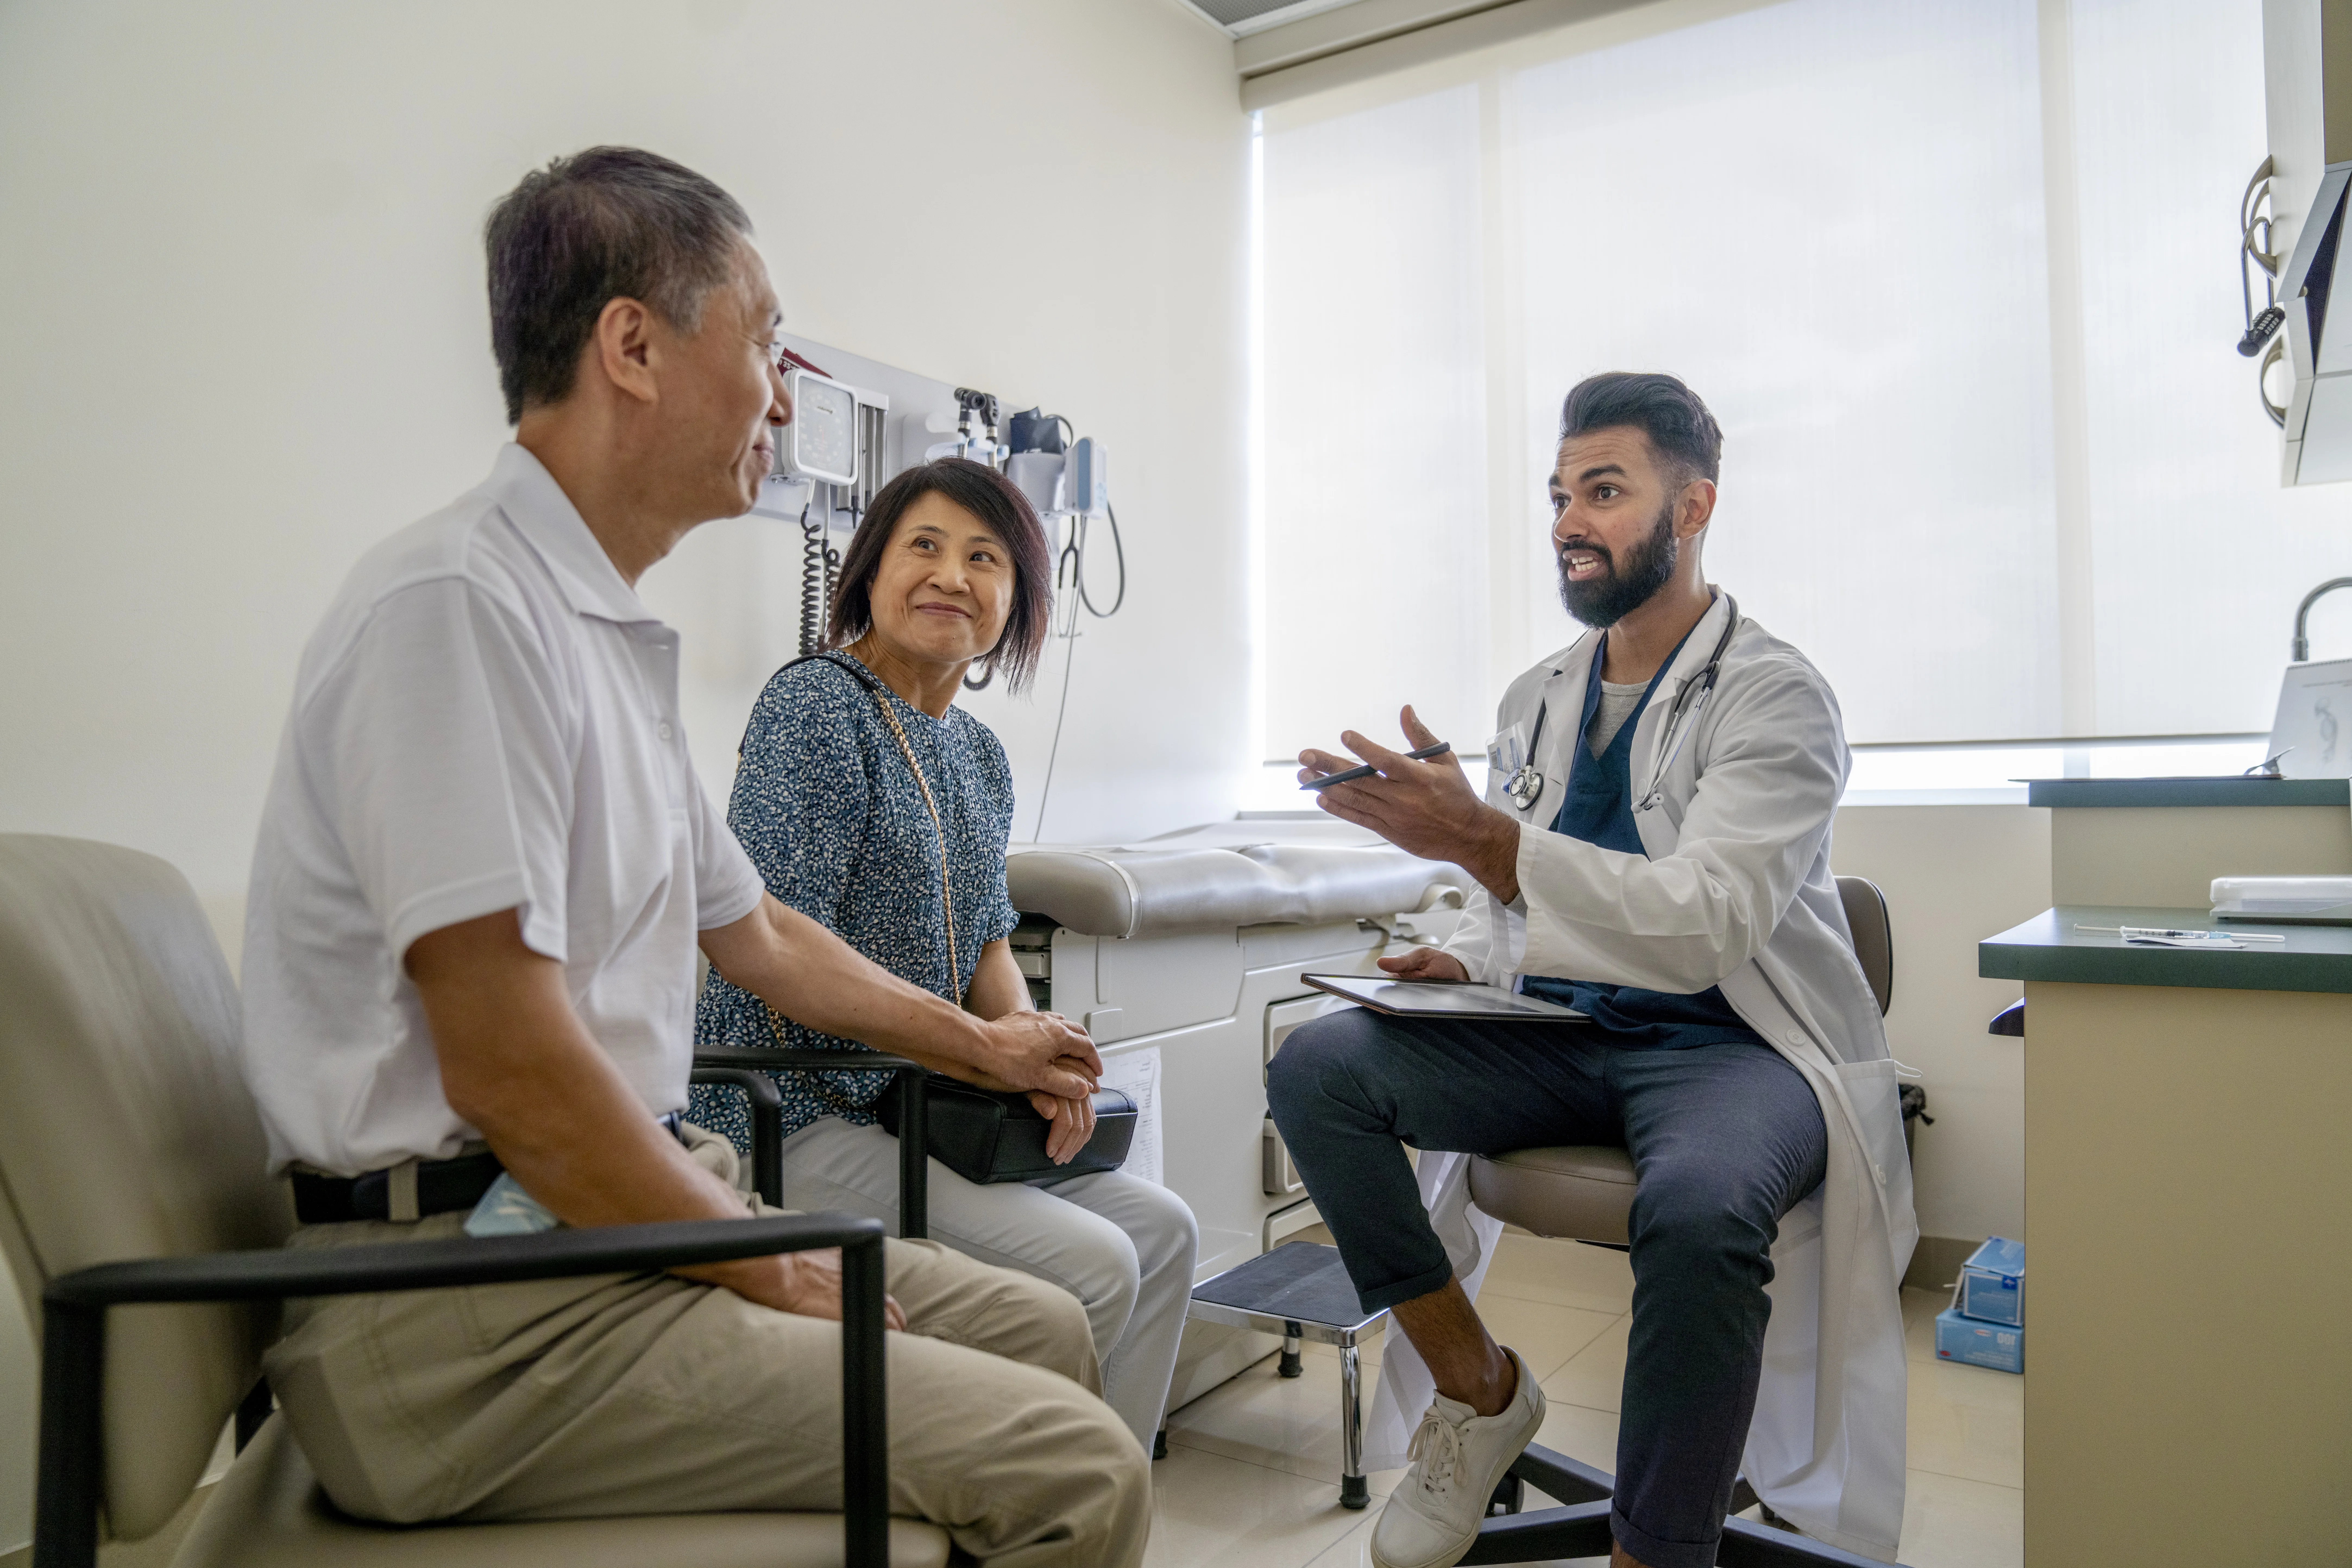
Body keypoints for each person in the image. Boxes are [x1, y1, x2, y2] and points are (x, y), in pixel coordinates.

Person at [235, 146, 1150, 1568]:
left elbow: (763, 932)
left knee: (1041, 1319)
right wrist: (749, 1249)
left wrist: (997, 1050)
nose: (789, 395)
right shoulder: (459, 607)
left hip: (588, 1225)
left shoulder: (599, 630)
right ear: (634, 346)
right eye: (770, 341)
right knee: (1073, 1467)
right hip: (472, 1301)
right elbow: (511, 1064)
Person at [1269, 372, 1915, 1568]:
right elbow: (1513, 898)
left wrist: (1481, 839)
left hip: (1737, 1047)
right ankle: (1477, 1393)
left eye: (1604, 491)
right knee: (1318, 1069)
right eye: (1559, 493)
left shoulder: (1776, 697)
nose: (1568, 519)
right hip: (1561, 1039)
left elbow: (1705, 923)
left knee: (1702, 1210)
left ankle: (1653, 1549)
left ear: (1694, 503)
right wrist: (1454, 950)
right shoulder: (1540, 697)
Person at [691, 456, 1199, 1450]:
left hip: (921, 1108)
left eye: (985, 557)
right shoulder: (815, 709)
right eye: (923, 545)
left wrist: (1031, 1045)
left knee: (1165, 1232)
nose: (952, 575)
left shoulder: (977, 754)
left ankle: (1098, 1513)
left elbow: (984, 941)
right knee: (1094, 1265)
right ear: (871, 567)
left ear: (1017, 601)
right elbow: (777, 951)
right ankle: (1014, 1509)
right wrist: (979, 1047)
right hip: (795, 1112)